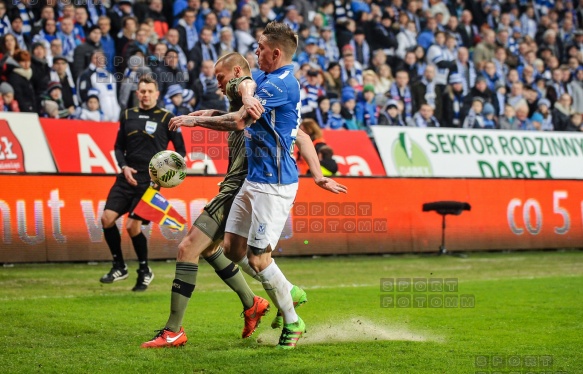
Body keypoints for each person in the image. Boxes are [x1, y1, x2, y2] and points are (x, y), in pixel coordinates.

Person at [168, 23, 347, 350]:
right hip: (254, 181)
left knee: (259, 258)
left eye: (261, 48)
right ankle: (288, 289)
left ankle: (293, 321)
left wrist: (195, 121)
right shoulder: (262, 78)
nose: (256, 52)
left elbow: (239, 120)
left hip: (275, 185)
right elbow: (247, 84)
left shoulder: (284, 86)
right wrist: (243, 93)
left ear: (275, 53)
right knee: (235, 253)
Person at [99, 75, 186, 292]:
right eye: (142, 91)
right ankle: (119, 266)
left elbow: (181, 152)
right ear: (137, 93)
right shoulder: (127, 115)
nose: (145, 94)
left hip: (149, 182)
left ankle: (144, 269)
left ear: (157, 94)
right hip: (126, 176)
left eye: (149, 91)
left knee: (131, 226)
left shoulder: (168, 117)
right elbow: (118, 147)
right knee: (106, 218)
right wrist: (123, 166)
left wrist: (164, 175)